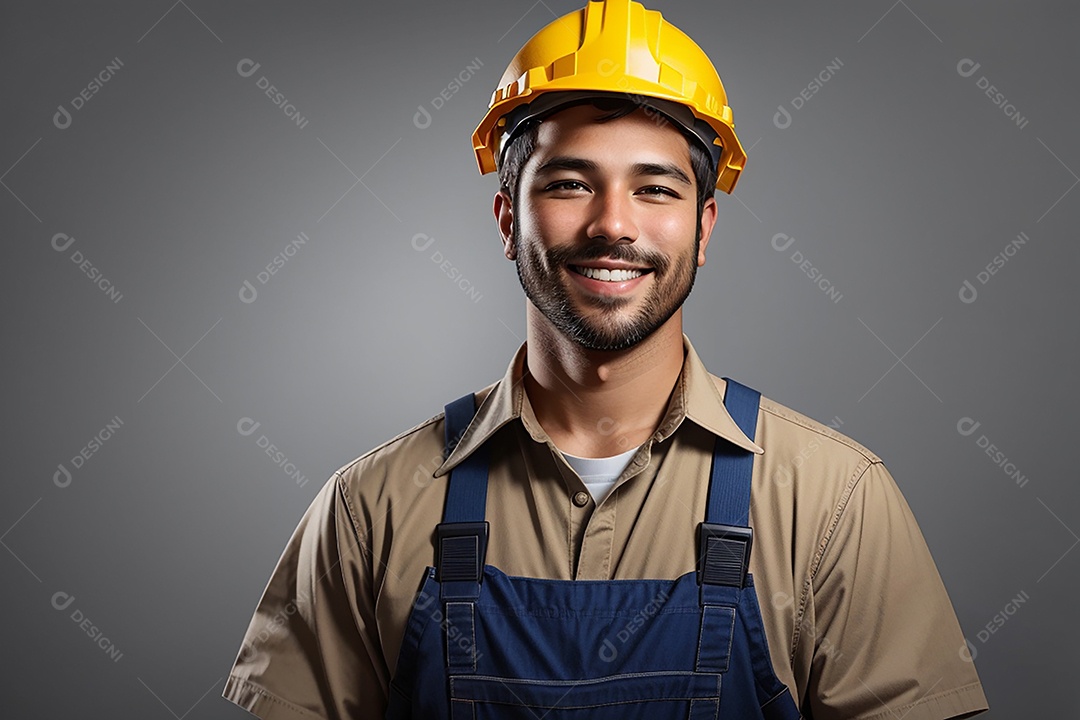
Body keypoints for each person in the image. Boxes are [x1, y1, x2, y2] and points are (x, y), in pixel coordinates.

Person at [223, 1, 989, 718]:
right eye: (568, 183)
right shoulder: (370, 509)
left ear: (704, 225)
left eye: (655, 189)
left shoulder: (835, 504)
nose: (611, 224)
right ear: (505, 216)